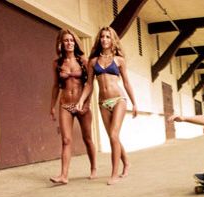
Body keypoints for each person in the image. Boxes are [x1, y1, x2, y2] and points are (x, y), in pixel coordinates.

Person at [76, 26, 138, 185]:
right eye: (102, 37)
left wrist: (135, 103)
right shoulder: (93, 61)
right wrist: (81, 101)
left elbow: (126, 82)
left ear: (113, 40)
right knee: (114, 136)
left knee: (113, 135)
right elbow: (89, 85)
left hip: (119, 100)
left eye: (108, 37)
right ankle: (127, 163)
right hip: (103, 103)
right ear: (99, 39)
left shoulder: (119, 60)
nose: (104, 39)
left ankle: (114, 174)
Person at [50, 29, 97, 185]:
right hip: (65, 104)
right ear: (61, 44)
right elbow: (56, 86)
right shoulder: (57, 63)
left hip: (81, 104)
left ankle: (94, 168)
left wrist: (87, 103)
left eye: (71, 40)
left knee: (87, 138)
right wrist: (51, 106)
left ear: (75, 43)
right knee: (66, 140)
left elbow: (89, 83)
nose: (69, 43)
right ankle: (64, 175)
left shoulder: (83, 60)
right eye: (66, 41)